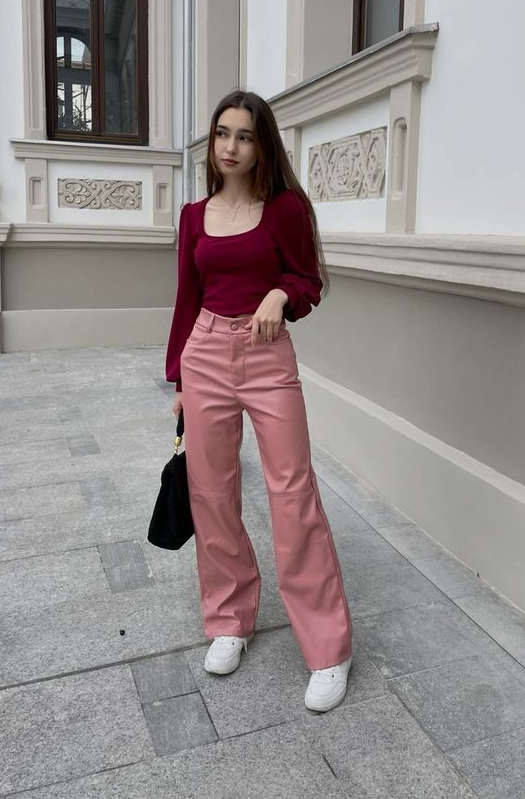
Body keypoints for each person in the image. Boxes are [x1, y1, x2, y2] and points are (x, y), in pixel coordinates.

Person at [165, 89, 353, 712]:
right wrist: (179, 381)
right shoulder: (194, 215)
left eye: (244, 136)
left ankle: (328, 648)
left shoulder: (285, 209)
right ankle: (229, 620)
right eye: (223, 133)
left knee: (292, 493)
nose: (230, 147)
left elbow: (307, 280)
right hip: (206, 352)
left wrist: (280, 295)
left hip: (267, 357)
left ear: (261, 143)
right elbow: (187, 298)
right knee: (210, 492)